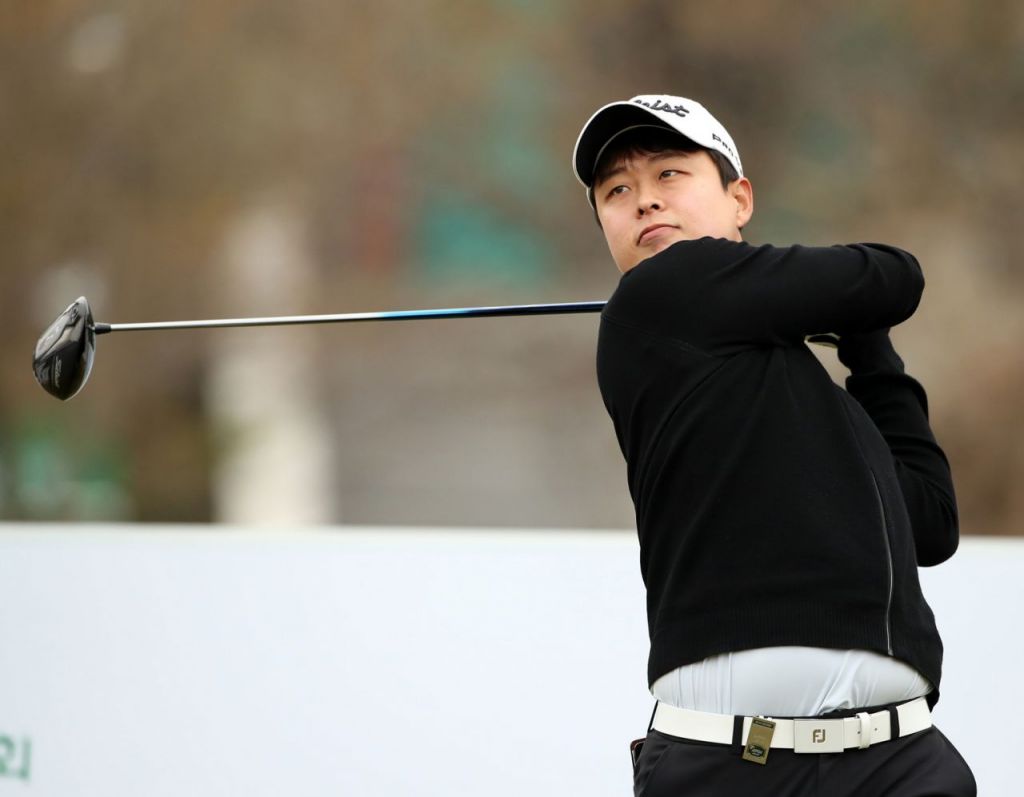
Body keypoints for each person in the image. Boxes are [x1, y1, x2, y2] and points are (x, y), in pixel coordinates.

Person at [571, 95, 976, 796]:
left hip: (899, 757)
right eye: (617, 191)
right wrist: (857, 313)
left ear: (740, 199)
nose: (644, 200)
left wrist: (872, 356)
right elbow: (894, 275)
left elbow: (932, 524)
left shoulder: (810, 397)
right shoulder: (657, 295)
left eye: (669, 174)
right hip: (732, 763)